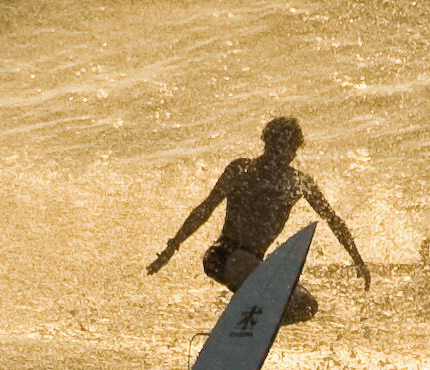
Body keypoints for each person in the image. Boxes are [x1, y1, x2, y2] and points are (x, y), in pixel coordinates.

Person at [146, 117, 369, 324]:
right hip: (222, 256)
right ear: (266, 143)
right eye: (277, 146)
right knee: (250, 266)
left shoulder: (298, 182)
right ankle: (247, 312)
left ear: (295, 149)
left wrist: (357, 258)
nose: (282, 154)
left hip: (254, 264)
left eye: (289, 148)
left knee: (305, 306)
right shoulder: (241, 169)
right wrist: (172, 246)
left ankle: (245, 324)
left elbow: (333, 221)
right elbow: (206, 208)